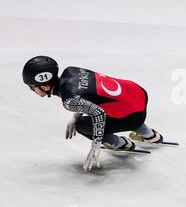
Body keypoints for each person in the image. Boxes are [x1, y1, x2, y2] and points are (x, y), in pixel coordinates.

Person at [22, 56, 163, 171]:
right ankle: (150, 135)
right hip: (137, 92)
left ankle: (121, 144)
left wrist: (95, 146)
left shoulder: (69, 101)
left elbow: (99, 114)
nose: (32, 90)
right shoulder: (71, 70)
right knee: (114, 106)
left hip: (133, 117)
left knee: (81, 125)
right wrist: (75, 115)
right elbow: (87, 92)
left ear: (45, 86)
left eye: (32, 87)